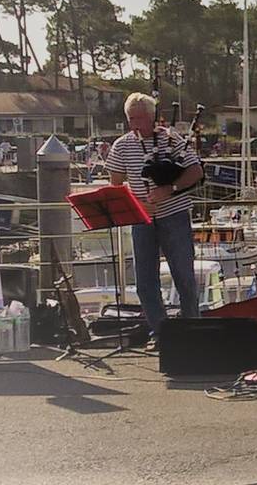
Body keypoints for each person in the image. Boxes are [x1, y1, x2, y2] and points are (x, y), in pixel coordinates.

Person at [105, 93, 204, 347]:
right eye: (131, 119)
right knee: (145, 281)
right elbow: (115, 183)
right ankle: (161, 333)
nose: (135, 124)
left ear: (152, 117)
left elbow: (195, 171)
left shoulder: (171, 139)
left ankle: (192, 326)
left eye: (140, 118)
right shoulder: (122, 145)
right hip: (142, 219)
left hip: (174, 214)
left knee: (184, 276)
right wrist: (132, 202)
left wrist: (169, 189)